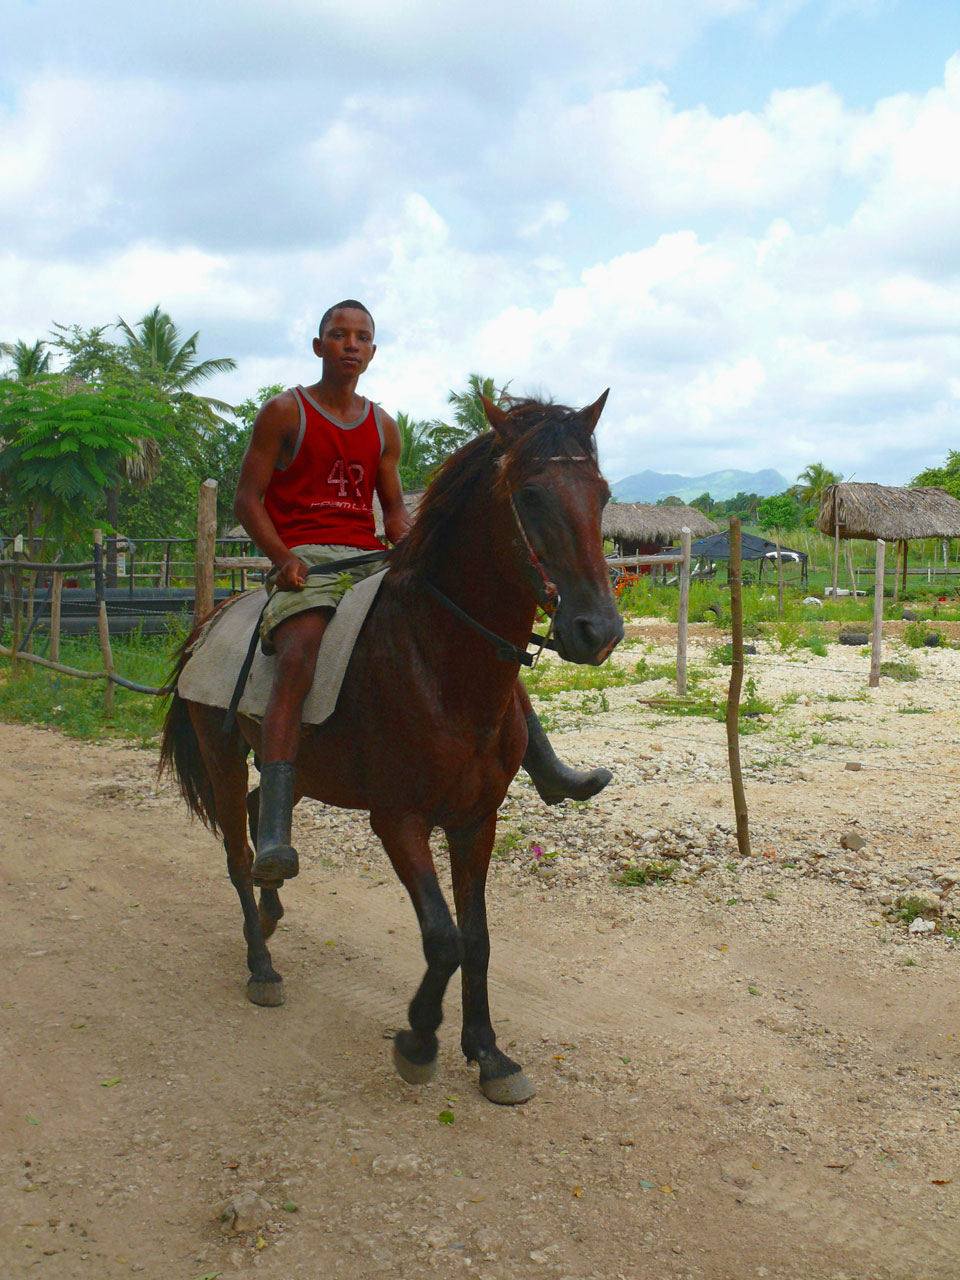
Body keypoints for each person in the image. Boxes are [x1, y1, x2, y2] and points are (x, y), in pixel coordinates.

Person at [233, 300, 610, 886]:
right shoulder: (285, 412)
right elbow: (247, 500)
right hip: (306, 561)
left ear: (373, 352)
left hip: (371, 556)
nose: (350, 345)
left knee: (475, 639)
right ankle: (277, 822)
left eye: (361, 337)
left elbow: (392, 507)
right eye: (338, 335)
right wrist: (282, 557)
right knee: (301, 645)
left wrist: (411, 548)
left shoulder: (382, 424)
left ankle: (545, 764)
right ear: (318, 346)